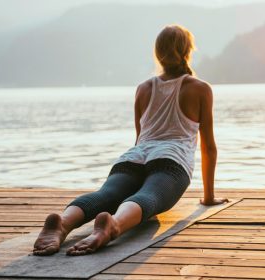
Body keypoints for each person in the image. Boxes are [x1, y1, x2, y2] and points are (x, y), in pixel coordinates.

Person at [33, 25, 229, 256]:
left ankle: (64, 221)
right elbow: (208, 147)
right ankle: (113, 225)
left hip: (133, 157)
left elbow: (140, 138)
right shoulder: (200, 88)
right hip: (171, 161)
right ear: (188, 51)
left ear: (158, 54)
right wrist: (208, 198)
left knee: (104, 196)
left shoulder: (143, 88)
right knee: (148, 197)